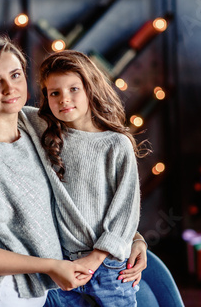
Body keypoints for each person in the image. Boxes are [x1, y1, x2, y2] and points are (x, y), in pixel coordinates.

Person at [0, 36, 147, 307]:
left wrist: (130, 238)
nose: (9, 89)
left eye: (15, 75)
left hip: (52, 283)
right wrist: (51, 266)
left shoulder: (34, 126)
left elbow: (91, 193)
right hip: (0, 297)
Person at [23, 50, 147, 306]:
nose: (64, 99)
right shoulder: (43, 128)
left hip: (109, 269)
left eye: (73, 89)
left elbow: (125, 211)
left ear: (90, 89)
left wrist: (96, 258)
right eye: (54, 92)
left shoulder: (116, 144)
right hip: (61, 265)